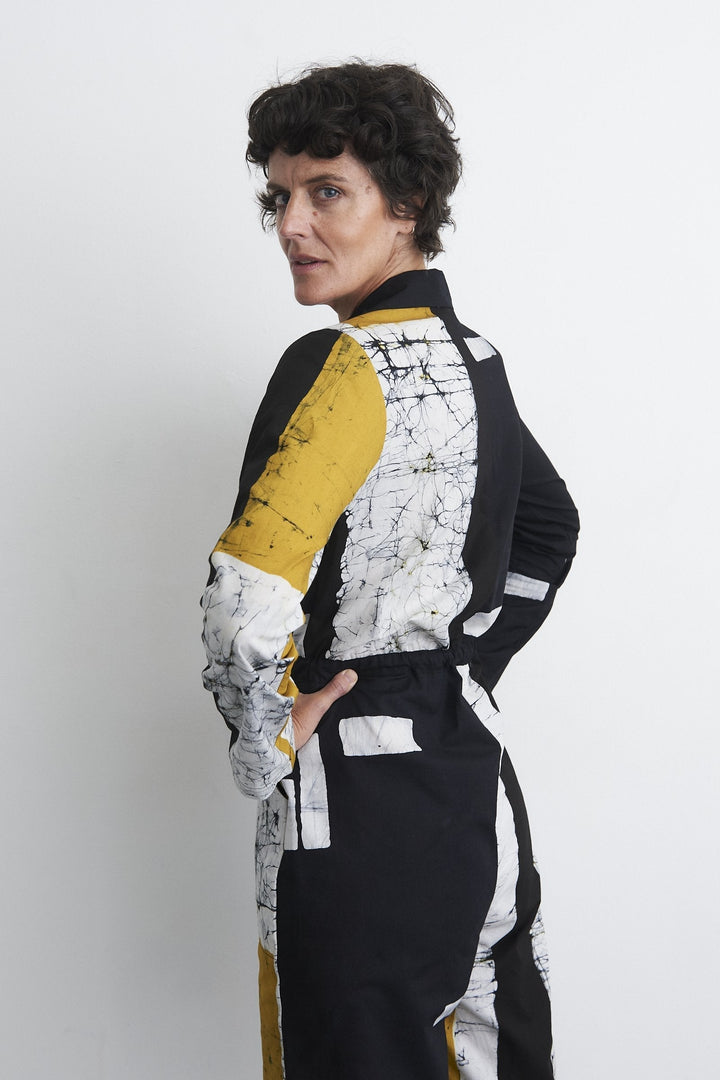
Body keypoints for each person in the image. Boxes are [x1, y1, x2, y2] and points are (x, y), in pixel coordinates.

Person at [201, 60, 579, 1080]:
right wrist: (466, 665)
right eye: (280, 196)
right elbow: (550, 531)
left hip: (357, 809)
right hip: (476, 785)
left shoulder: (337, 366)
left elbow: (245, 598)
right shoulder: (476, 359)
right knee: (494, 1054)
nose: (292, 224)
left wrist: (266, 740)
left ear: (405, 203)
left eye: (327, 191)